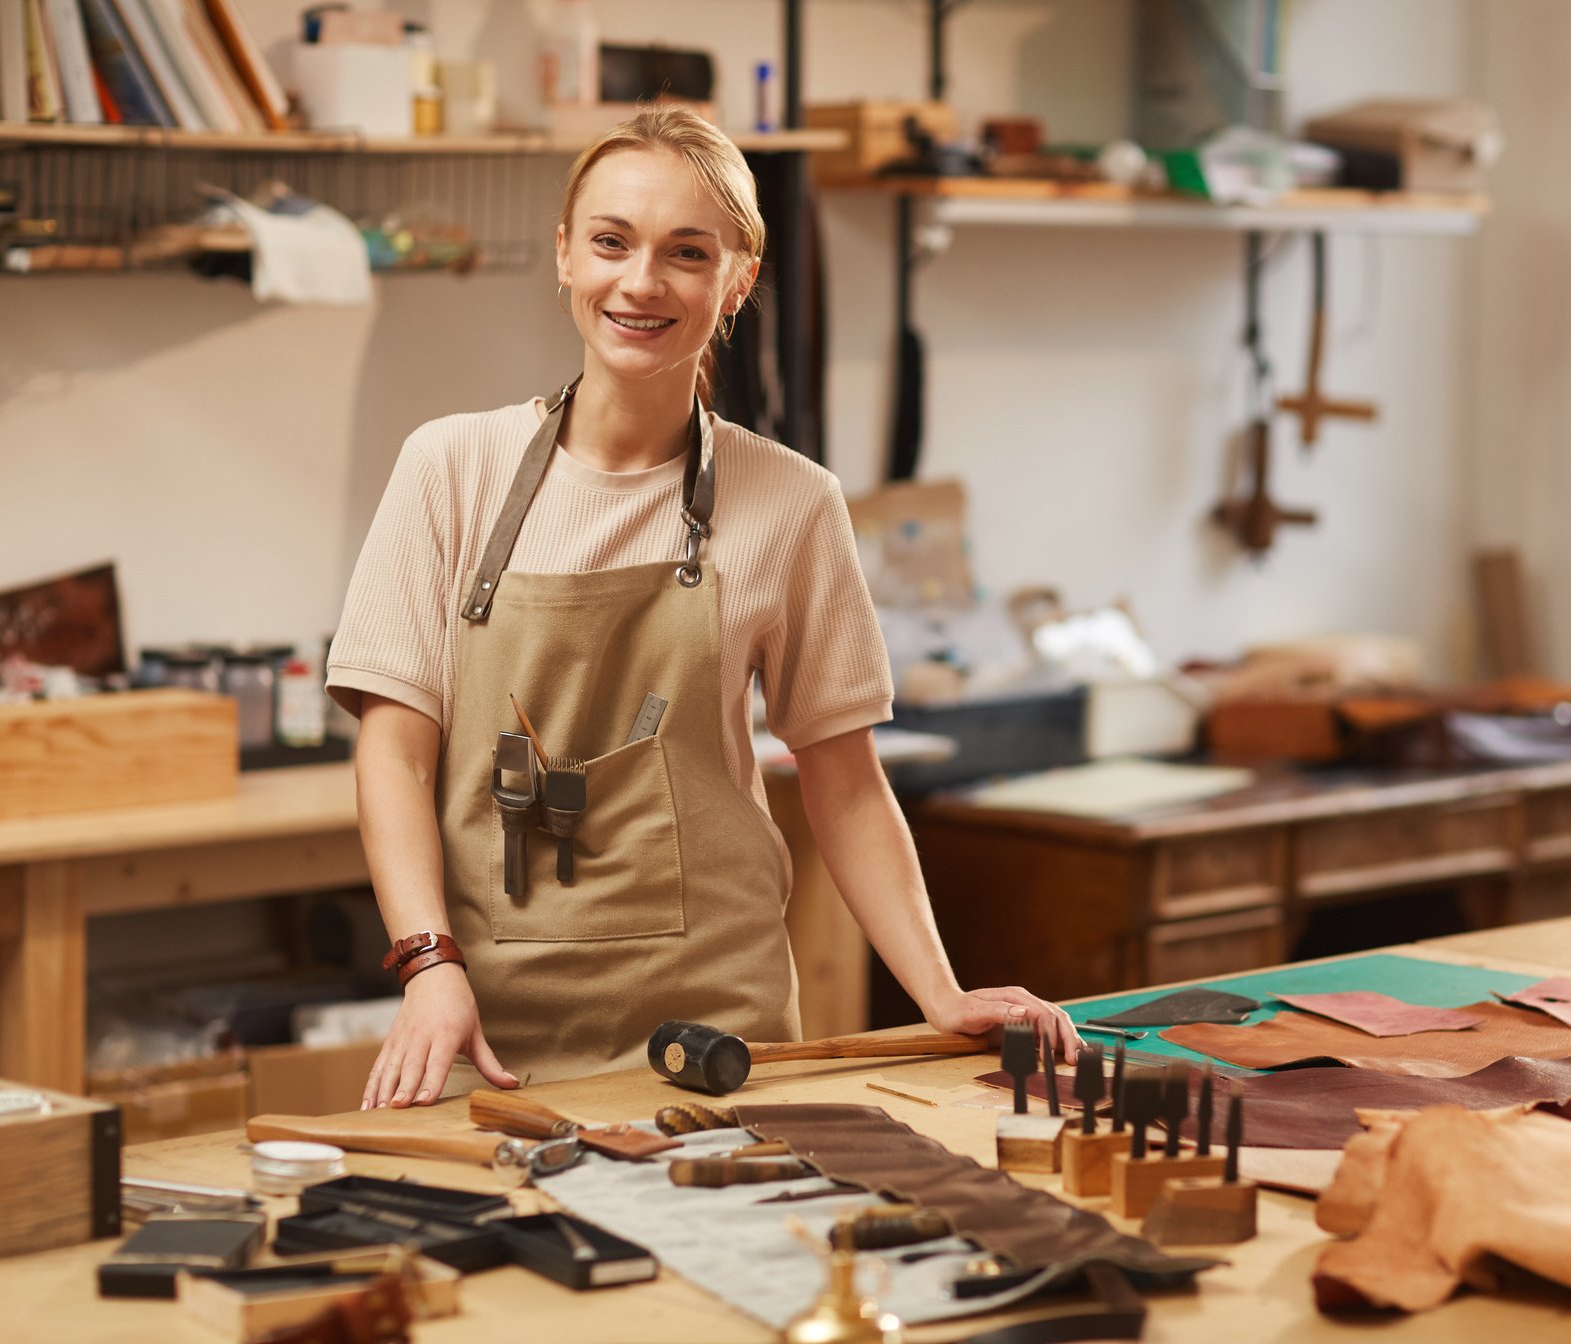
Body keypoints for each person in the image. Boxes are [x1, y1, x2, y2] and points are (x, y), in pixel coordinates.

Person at [326, 106, 1081, 1110]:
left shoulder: (795, 502)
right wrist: (428, 965)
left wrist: (937, 989)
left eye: (687, 252)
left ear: (738, 280)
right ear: (563, 256)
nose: (641, 283)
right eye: (610, 242)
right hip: (485, 1025)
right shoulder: (450, 468)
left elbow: (846, 783)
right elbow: (393, 750)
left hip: (721, 1029)